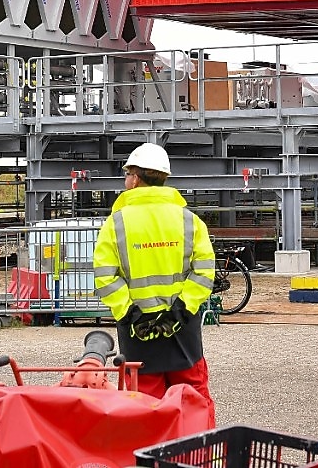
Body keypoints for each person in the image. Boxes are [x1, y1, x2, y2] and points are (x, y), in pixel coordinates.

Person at [92, 142, 216, 424]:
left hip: (139, 332)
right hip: (182, 329)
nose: (125, 182)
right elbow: (205, 270)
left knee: (144, 407)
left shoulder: (116, 224)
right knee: (192, 402)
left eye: (127, 175)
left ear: (136, 178)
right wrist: (181, 309)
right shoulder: (190, 221)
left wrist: (129, 313)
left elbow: (105, 276)